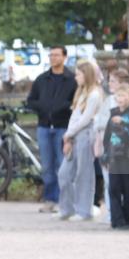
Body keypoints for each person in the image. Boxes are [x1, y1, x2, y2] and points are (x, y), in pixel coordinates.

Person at [26, 46, 77, 212]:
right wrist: (42, 107)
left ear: (64, 57)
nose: (53, 58)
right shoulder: (41, 79)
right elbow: (31, 100)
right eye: (51, 55)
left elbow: (76, 101)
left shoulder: (72, 79)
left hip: (63, 126)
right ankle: (50, 199)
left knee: (62, 164)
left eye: (56, 55)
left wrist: (63, 107)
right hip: (44, 126)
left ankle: (65, 200)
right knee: (47, 165)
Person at [56, 61, 103, 222]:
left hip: (85, 135)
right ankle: (66, 209)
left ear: (86, 75)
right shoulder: (81, 92)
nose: (76, 77)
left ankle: (84, 211)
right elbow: (75, 117)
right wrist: (69, 136)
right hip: (74, 134)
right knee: (64, 173)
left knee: (84, 173)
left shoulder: (95, 94)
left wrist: (69, 133)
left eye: (78, 74)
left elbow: (85, 119)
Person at [103, 84, 129, 230]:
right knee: (113, 188)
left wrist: (124, 122)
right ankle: (117, 220)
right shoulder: (113, 113)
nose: (121, 99)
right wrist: (105, 155)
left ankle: (128, 220)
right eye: (119, 95)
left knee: (128, 190)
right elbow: (107, 136)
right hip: (114, 156)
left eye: (124, 95)